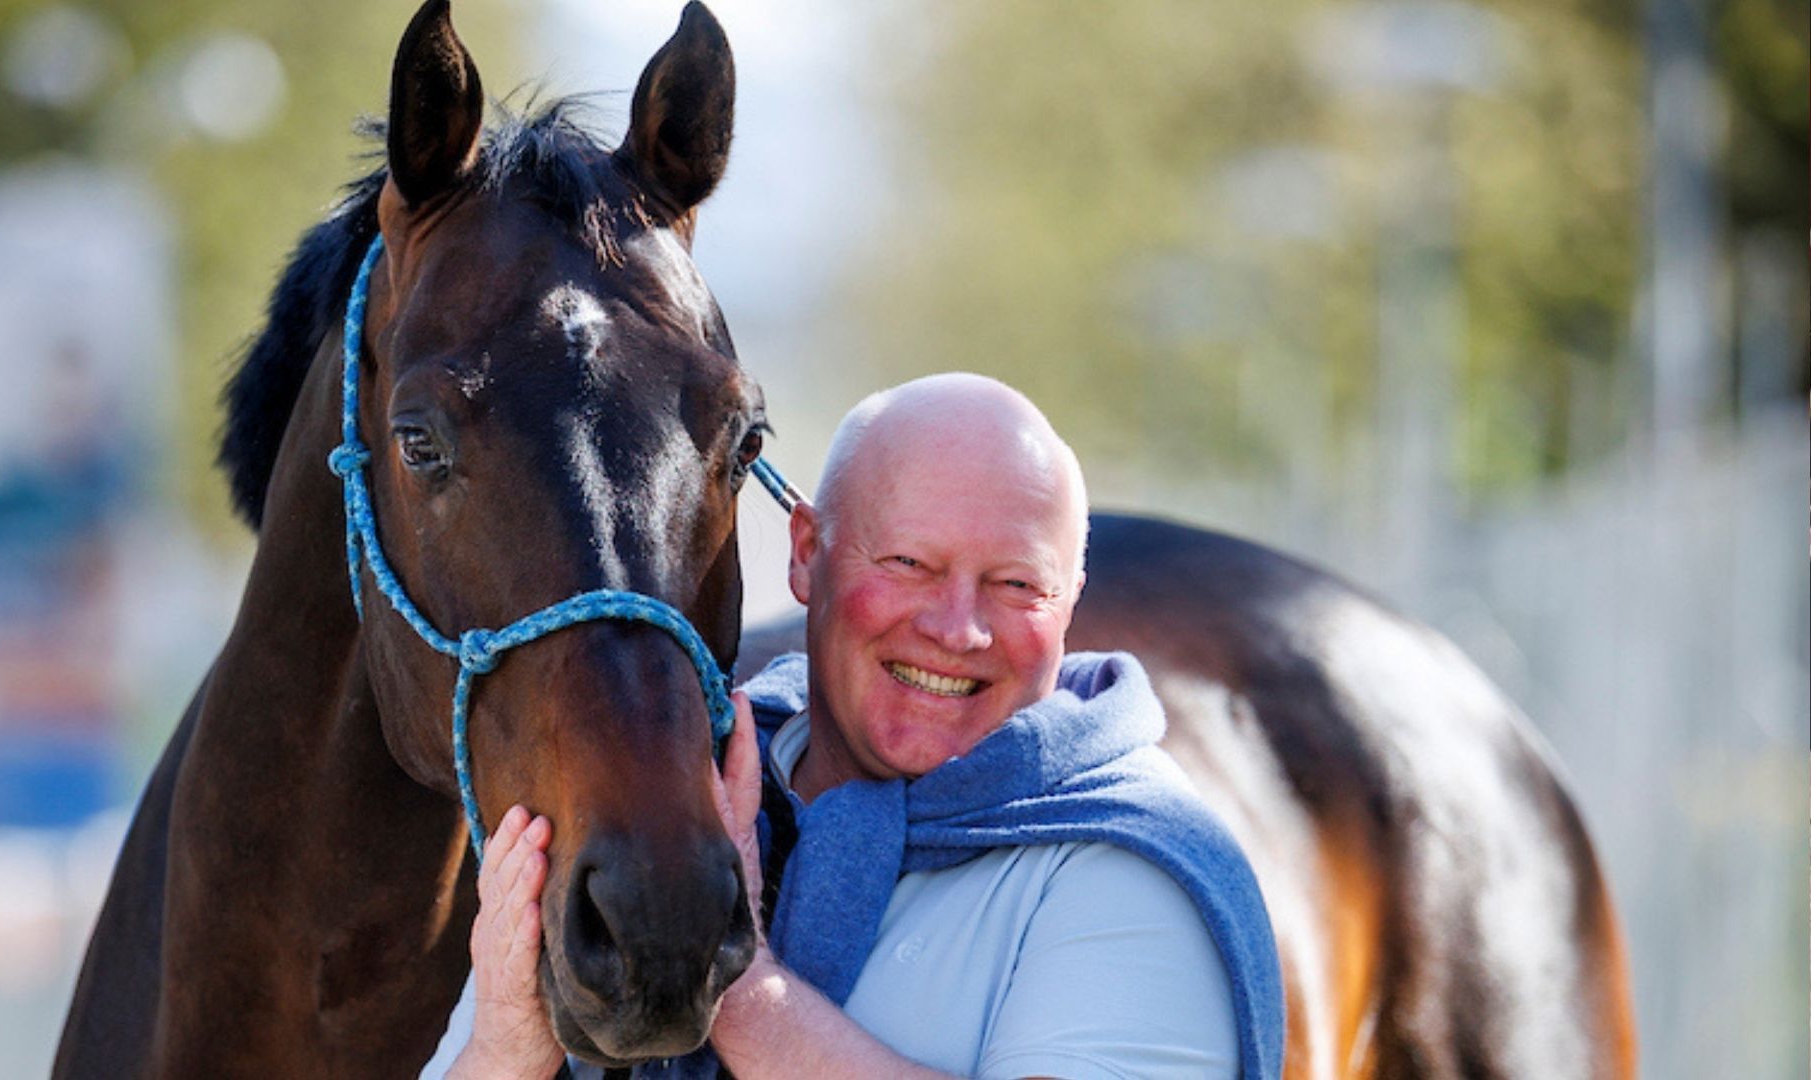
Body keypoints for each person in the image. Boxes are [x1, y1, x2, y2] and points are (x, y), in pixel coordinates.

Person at [426, 373, 1284, 1080]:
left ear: (1072, 603)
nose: (959, 630)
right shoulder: (662, 820)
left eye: (1017, 585)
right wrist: (505, 1049)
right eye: (909, 565)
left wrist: (744, 986)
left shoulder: (1131, 870)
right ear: (806, 553)